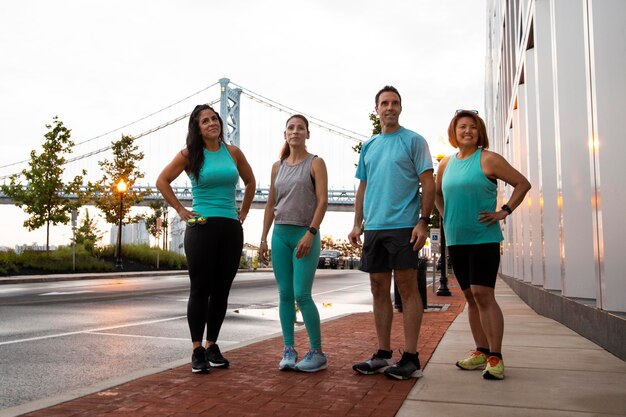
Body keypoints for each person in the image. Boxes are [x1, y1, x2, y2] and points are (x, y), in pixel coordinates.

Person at [156, 104, 256, 374]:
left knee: (222, 289)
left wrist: (244, 210)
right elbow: (162, 180)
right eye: (205, 121)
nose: (212, 123)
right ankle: (197, 350)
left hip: (230, 228)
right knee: (200, 288)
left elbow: (250, 182)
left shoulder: (233, 153)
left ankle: (212, 345)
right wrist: (180, 209)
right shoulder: (190, 155)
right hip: (201, 228)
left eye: (214, 119)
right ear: (197, 129)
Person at [435, 109, 531, 380]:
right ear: (453, 132)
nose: (467, 131)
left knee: (483, 295)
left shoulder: (489, 159)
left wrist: (504, 211)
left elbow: (523, 184)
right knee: (469, 297)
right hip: (456, 240)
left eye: (473, 127)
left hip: (484, 238)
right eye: (462, 126)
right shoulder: (445, 164)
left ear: (480, 132)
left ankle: (496, 358)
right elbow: (437, 196)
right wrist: (447, 217)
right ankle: (480, 351)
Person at [348, 86, 435, 380]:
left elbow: (428, 182)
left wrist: (423, 221)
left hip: (403, 226)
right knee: (377, 289)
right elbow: (363, 187)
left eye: (394, 103)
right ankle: (383, 354)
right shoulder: (369, 146)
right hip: (374, 227)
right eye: (384, 103)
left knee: (408, 290)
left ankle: (411, 358)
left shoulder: (414, 141)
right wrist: (357, 222)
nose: (390, 107)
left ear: (401, 107)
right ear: (377, 110)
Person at [258, 114, 329, 372]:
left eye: (300, 128)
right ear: (285, 133)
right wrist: (263, 237)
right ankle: (288, 349)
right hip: (280, 235)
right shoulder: (278, 166)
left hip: (304, 235)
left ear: (307, 134)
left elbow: (322, 201)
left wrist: (311, 233)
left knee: (302, 294)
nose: (295, 131)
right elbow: (269, 204)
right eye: (291, 128)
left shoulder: (316, 163)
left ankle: (317, 352)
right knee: (285, 295)